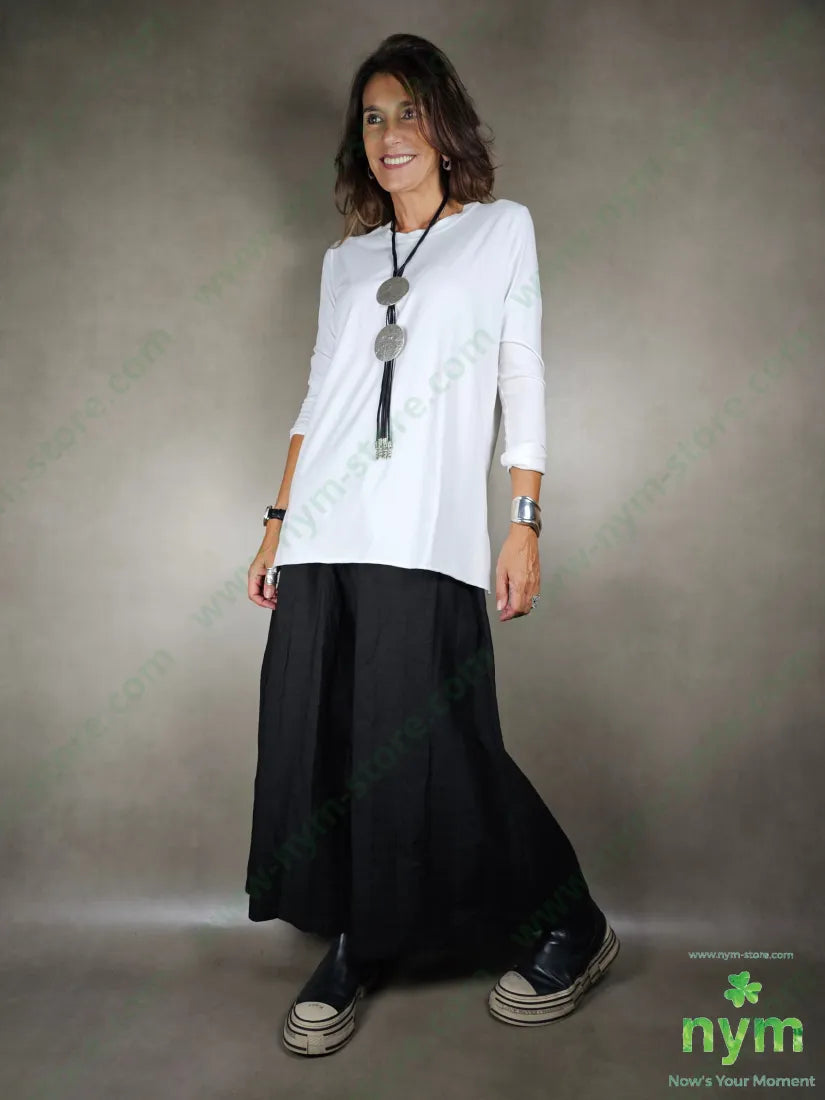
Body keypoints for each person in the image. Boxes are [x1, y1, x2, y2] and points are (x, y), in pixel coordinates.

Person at [245, 32, 619, 1057]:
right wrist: (276, 523)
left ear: (444, 125)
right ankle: (359, 937)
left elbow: (521, 373)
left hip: (425, 532)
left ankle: (571, 920)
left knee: (436, 740)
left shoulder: (499, 232)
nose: (388, 135)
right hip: (324, 529)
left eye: (407, 112)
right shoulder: (345, 263)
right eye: (372, 118)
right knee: (330, 735)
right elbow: (317, 400)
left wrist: (524, 521)